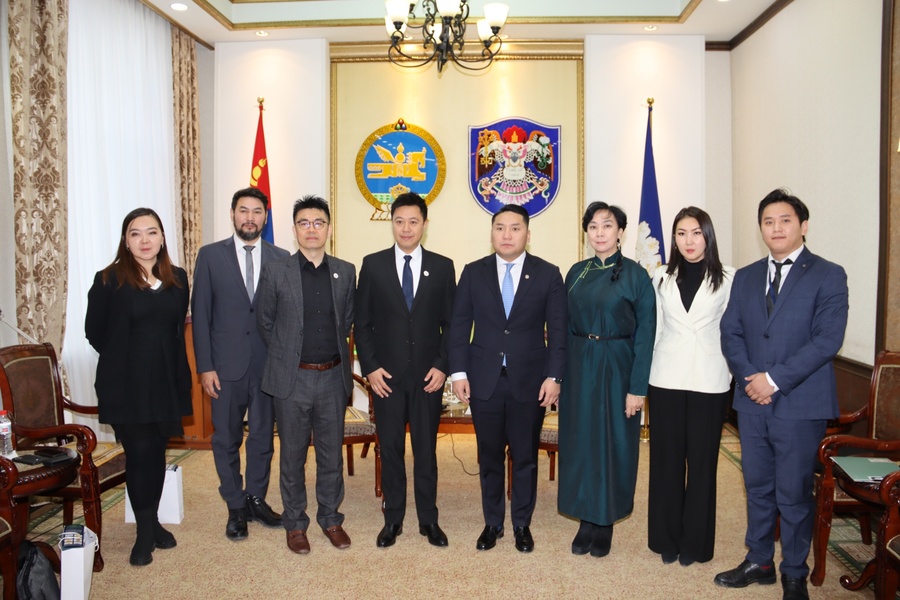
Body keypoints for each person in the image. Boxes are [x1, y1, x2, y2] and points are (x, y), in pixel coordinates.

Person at [714, 189, 848, 600]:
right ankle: (759, 561)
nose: (776, 228)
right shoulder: (747, 276)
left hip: (800, 403)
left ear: (803, 226)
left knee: (793, 493)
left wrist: (772, 380)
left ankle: (794, 571)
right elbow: (731, 332)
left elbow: (827, 341)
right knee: (756, 486)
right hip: (751, 402)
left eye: (785, 220)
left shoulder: (828, 274)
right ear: (761, 228)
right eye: (768, 222)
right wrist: (750, 378)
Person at [449, 204, 566, 553]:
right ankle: (493, 523)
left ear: (528, 234)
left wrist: (554, 376)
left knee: (525, 455)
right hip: (484, 379)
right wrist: (459, 373)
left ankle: (521, 524)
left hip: (530, 381)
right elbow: (459, 326)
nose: (507, 234)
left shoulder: (548, 274)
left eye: (515, 228)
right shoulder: (473, 272)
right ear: (492, 233)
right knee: (488, 456)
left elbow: (558, 332)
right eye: (500, 227)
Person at [85, 207, 192, 566]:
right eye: (136, 233)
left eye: (151, 232)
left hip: (165, 381)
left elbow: (175, 329)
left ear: (162, 238)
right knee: (140, 453)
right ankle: (144, 533)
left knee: (157, 453)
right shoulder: (109, 279)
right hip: (125, 385)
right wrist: (126, 357)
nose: (144, 240)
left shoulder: (178, 278)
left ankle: (153, 522)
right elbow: (94, 331)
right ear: (126, 241)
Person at [354, 192, 456, 549]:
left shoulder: (442, 267)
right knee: (391, 450)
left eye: (414, 221)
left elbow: (452, 325)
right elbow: (362, 324)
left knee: (426, 452)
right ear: (392, 223)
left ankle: (429, 519)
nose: (406, 228)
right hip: (387, 379)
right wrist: (371, 368)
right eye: (399, 221)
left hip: (428, 378)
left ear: (425, 224)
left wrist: (442, 366)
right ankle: (393, 519)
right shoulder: (373, 265)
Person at [256, 195, 356, 555]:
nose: (311, 229)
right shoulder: (276, 271)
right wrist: (288, 356)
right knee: (292, 456)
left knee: (331, 455)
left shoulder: (345, 271)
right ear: (294, 229)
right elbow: (265, 322)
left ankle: (330, 518)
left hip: (332, 377)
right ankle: (295, 523)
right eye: (304, 223)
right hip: (292, 379)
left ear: (328, 228)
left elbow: (347, 322)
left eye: (318, 223)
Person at [558, 201, 656, 558]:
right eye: (593, 226)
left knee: (613, 443)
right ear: (587, 232)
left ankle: (605, 522)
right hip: (579, 365)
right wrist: (558, 377)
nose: (600, 232)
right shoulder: (576, 272)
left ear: (620, 232)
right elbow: (563, 327)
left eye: (607, 225)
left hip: (618, 365)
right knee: (580, 441)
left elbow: (646, 334)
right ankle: (585, 517)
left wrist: (637, 388)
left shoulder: (636, 276)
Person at [191, 187, 290, 541]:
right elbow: (200, 316)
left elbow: (286, 316)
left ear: (266, 217)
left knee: (263, 438)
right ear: (233, 214)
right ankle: (235, 505)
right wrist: (205, 367)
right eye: (244, 210)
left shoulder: (281, 257)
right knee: (226, 439)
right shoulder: (210, 256)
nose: (250, 217)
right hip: (224, 367)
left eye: (257, 211)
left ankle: (255, 500)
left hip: (267, 366)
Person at [646, 206, 734, 566]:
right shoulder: (660, 276)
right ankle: (666, 539)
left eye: (696, 233)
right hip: (665, 377)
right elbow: (654, 329)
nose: (689, 241)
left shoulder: (729, 278)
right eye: (681, 233)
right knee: (666, 461)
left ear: (707, 236)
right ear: (674, 238)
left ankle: (696, 544)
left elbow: (732, 332)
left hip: (710, 380)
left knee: (701, 464)